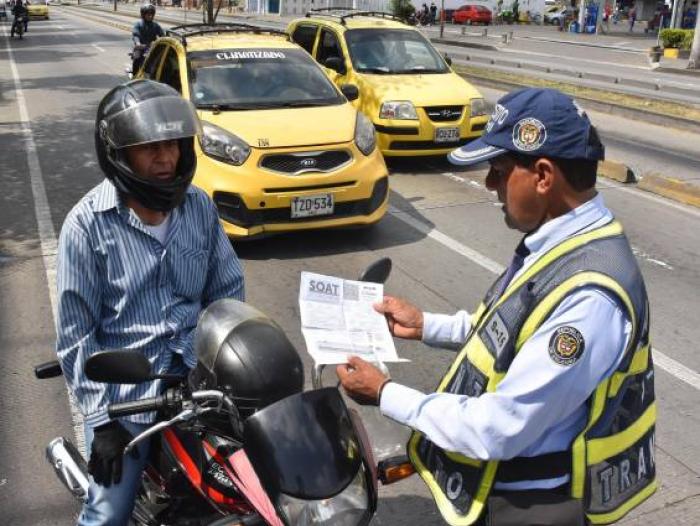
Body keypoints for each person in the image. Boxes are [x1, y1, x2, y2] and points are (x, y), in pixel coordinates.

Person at [337, 88, 656, 526]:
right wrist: (426, 325)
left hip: (533, 505)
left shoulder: (589, 297)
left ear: (543, 176)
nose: (489, 184)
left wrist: (385, 393)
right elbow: (513, 330)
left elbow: (499, 427)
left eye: (499, 170)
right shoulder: (561, 243)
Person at [56, 79, 245, 525]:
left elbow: (228, 292)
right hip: (127, 402)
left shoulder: (198, 207)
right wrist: (102, 420)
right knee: (107, 514)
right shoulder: (86, 226)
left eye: (173, 144)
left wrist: (234, 354)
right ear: (118, 155)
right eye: (148, 148)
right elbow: (74, 337)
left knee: (257, 486)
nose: (165, 158)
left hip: (200, 386)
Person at [131, 3, 163, 75]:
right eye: (148, 14)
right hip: (141, 47)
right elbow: (136, 35)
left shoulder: (155, 25)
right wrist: (138, 43)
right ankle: (134, 75)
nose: (150, 16)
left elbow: (162, 34)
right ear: (143, 14)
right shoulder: (138, 24)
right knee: (137, 57)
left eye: (151, 14)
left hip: (152, 47)